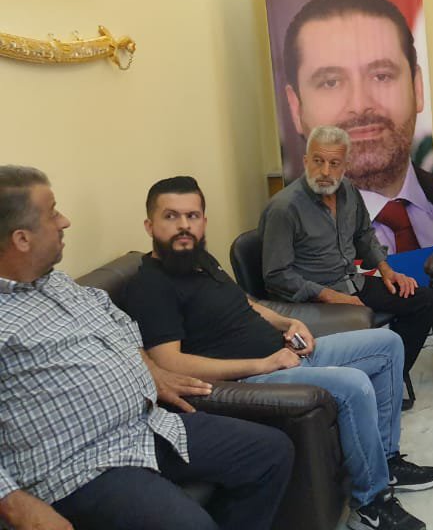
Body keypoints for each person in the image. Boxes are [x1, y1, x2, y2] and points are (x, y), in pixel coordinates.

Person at [123, 175, 433, 530]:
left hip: (285, 353)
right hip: (254, 377)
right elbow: (169, 363)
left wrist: (287, 323)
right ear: (150, 225)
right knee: (354, 385)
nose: (184, 226)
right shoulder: (152, 285)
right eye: (171, 216)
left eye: (192, 216)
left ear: (204, 221)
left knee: (388, 345)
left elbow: (246, 303)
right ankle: (371, 504)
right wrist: (264, 363)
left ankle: (386, 459)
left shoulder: (200, 261)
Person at [0, 166, 293, 530]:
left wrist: (151, 371)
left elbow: (121, 324)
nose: (65, 221)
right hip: (80, 466)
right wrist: (15, 504)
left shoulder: (56, 283)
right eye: (53, 212)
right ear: (22, 239)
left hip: (146, 426)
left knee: (271, 452)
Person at [260, 125, 433, 410]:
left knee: (423, 299)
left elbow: (364, 235)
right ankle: (364, 391)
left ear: (345, 166)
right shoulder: (284, 208)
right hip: (313, 300)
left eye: (334, 163)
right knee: (362, 321)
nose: (325, 171)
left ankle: (388, 378)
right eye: (318, 161)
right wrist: (329, 295)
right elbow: (277, 276)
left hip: (353, 283)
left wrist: (386, 269)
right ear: (305, 161)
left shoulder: (349, 192)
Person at [282, 0, 433, 251]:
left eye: (381, 76)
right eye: (331, 82)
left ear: (417, 88)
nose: (360, 105)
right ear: (296, 108)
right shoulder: (288, 239)